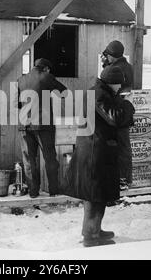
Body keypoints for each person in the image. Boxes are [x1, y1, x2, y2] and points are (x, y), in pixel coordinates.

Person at [61, 67, 135, 247]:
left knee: (97, 195)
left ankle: (94, 230)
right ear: (113, 82)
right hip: (96, 154)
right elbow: (115, 118)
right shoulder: (100, 94)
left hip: (97, 151)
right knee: (95, 196)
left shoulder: (98, 91)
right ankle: (90, 236)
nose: (120, 88)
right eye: (119, 84)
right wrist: (128, 104)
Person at [17, 58, 67, 198]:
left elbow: (17, 104)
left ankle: (33, 192)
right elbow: (64, 92)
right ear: (46, 68)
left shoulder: (20, 80)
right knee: (49, 157)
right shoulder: (46, 77)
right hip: (43, 124)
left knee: (29, 159)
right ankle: (53, 190)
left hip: (25, 124)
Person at [100, 40, 134, 189]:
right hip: (124, 112)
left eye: (108, 55)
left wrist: (105, 65)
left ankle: (121, 179)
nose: (106, 57)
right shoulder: (128, 67)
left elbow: (106, 79)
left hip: (116, 113)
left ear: (112, 56)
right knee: (124, 147)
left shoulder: (115, 68)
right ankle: (125, 178)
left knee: (118, 148)